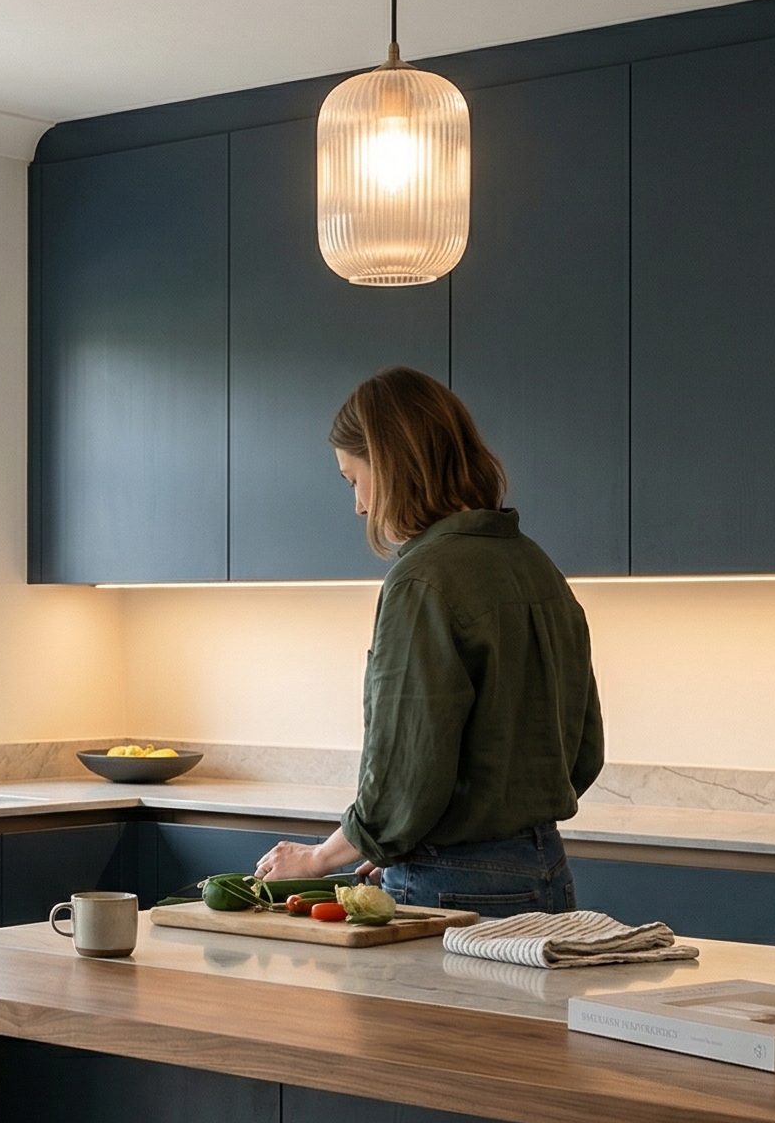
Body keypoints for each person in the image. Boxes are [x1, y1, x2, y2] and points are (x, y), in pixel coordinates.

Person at [256, 367, 602, 917]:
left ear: (392, 464)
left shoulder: (423, 580)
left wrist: (322, 857)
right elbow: (583, 754)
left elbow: (404, 776)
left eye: (354, 479)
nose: (360, 506)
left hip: (449, 885)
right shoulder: (540, 568)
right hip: (548, 875)